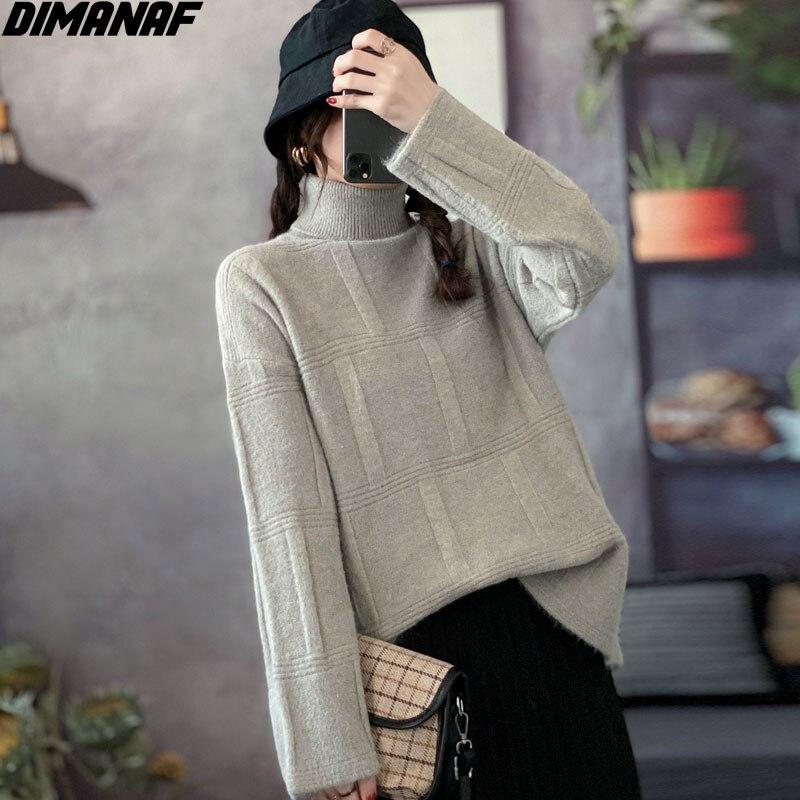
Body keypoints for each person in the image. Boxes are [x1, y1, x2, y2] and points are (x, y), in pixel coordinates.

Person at [214, 1, 643, 799]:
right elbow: (288, 525)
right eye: (356, 102)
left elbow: (583, 253)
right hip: (419, 676)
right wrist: (326, 741)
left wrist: (434, 122)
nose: (377, 123)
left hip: (557, 634)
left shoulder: (477, 245)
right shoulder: (263, 283)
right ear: (302, 133)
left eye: (395, 102)